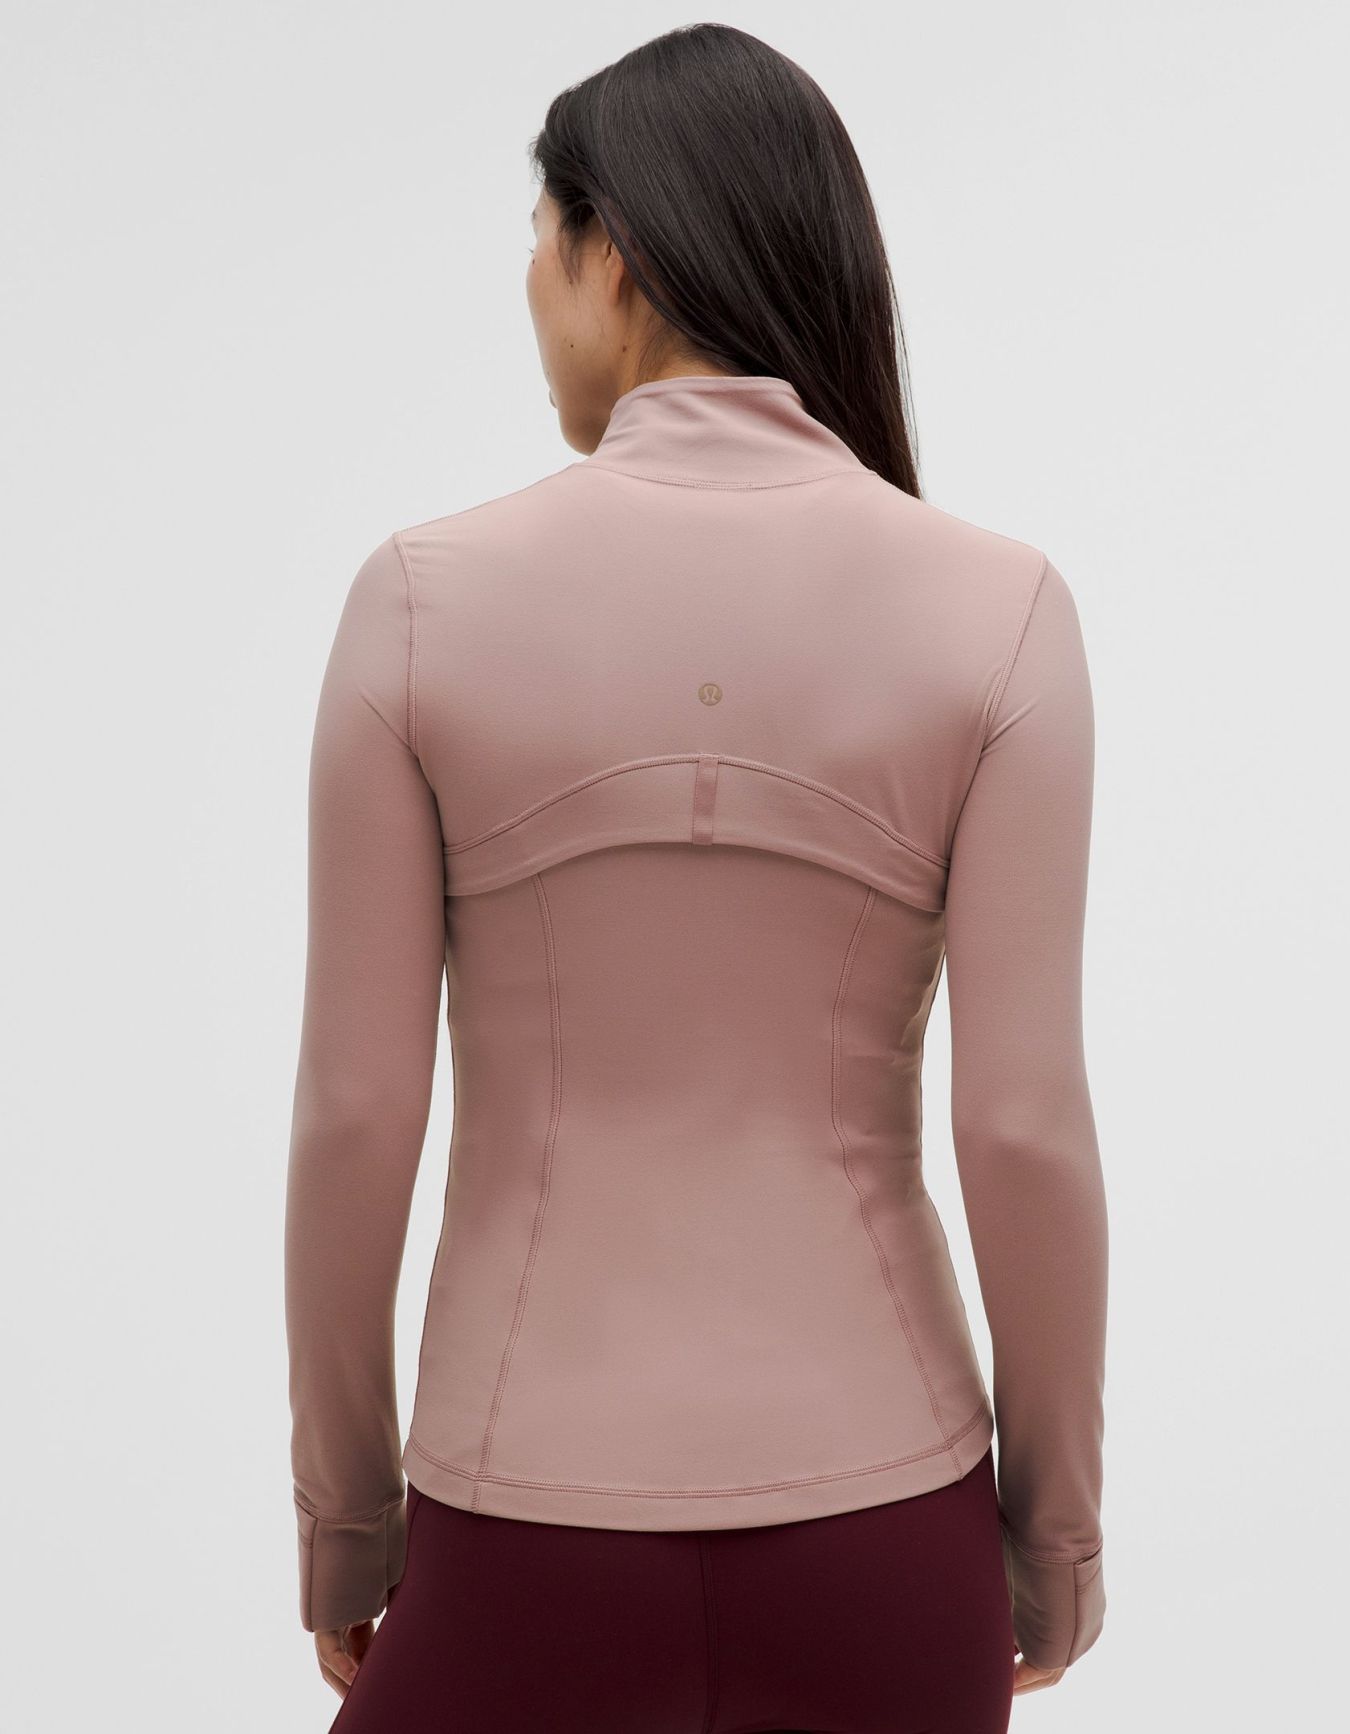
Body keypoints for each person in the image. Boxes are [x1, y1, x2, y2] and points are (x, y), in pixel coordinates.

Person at [284, 23, 1108, 1733]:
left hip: (519, 1527)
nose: (530, 284)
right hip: (891, 1528)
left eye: (539, 236)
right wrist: (1052, 1536)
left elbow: (357, 1115)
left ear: (618, 257)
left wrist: (346, 1524)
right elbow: (1022, 1126)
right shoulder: (1001, 611)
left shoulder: (419, 602)